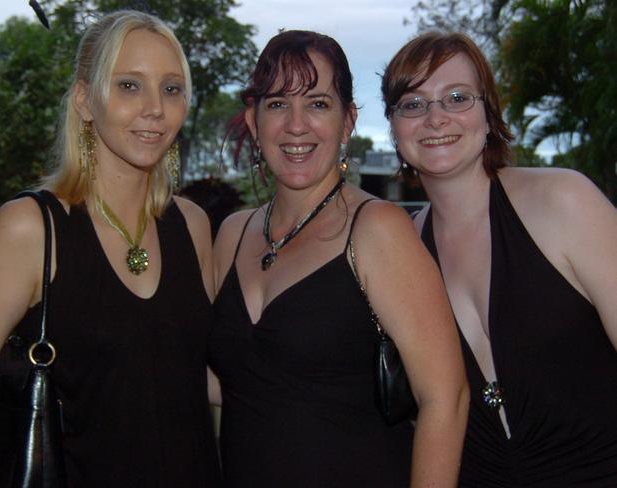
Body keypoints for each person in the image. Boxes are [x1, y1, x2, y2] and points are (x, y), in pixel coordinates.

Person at [0, 10, 222, 486]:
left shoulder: (193, 226)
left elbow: (188, 371)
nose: (155, 108)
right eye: (129, 85)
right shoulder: (29, 229)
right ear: (85, 100)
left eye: (171, 88)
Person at [208, 30, 468, 488]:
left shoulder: (376, 229)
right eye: (277, 104)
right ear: (254, 120)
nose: (296, 124)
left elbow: (446, 398)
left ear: (348, 120)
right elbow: (231, 382)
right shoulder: (233, 233)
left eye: (318, 103)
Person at [382, 31, 617, 487]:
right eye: (413, 104)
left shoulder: (563, 201)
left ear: (489, 114)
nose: (435, 118)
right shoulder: (403, 247)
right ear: (394, 128)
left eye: (456, 97)